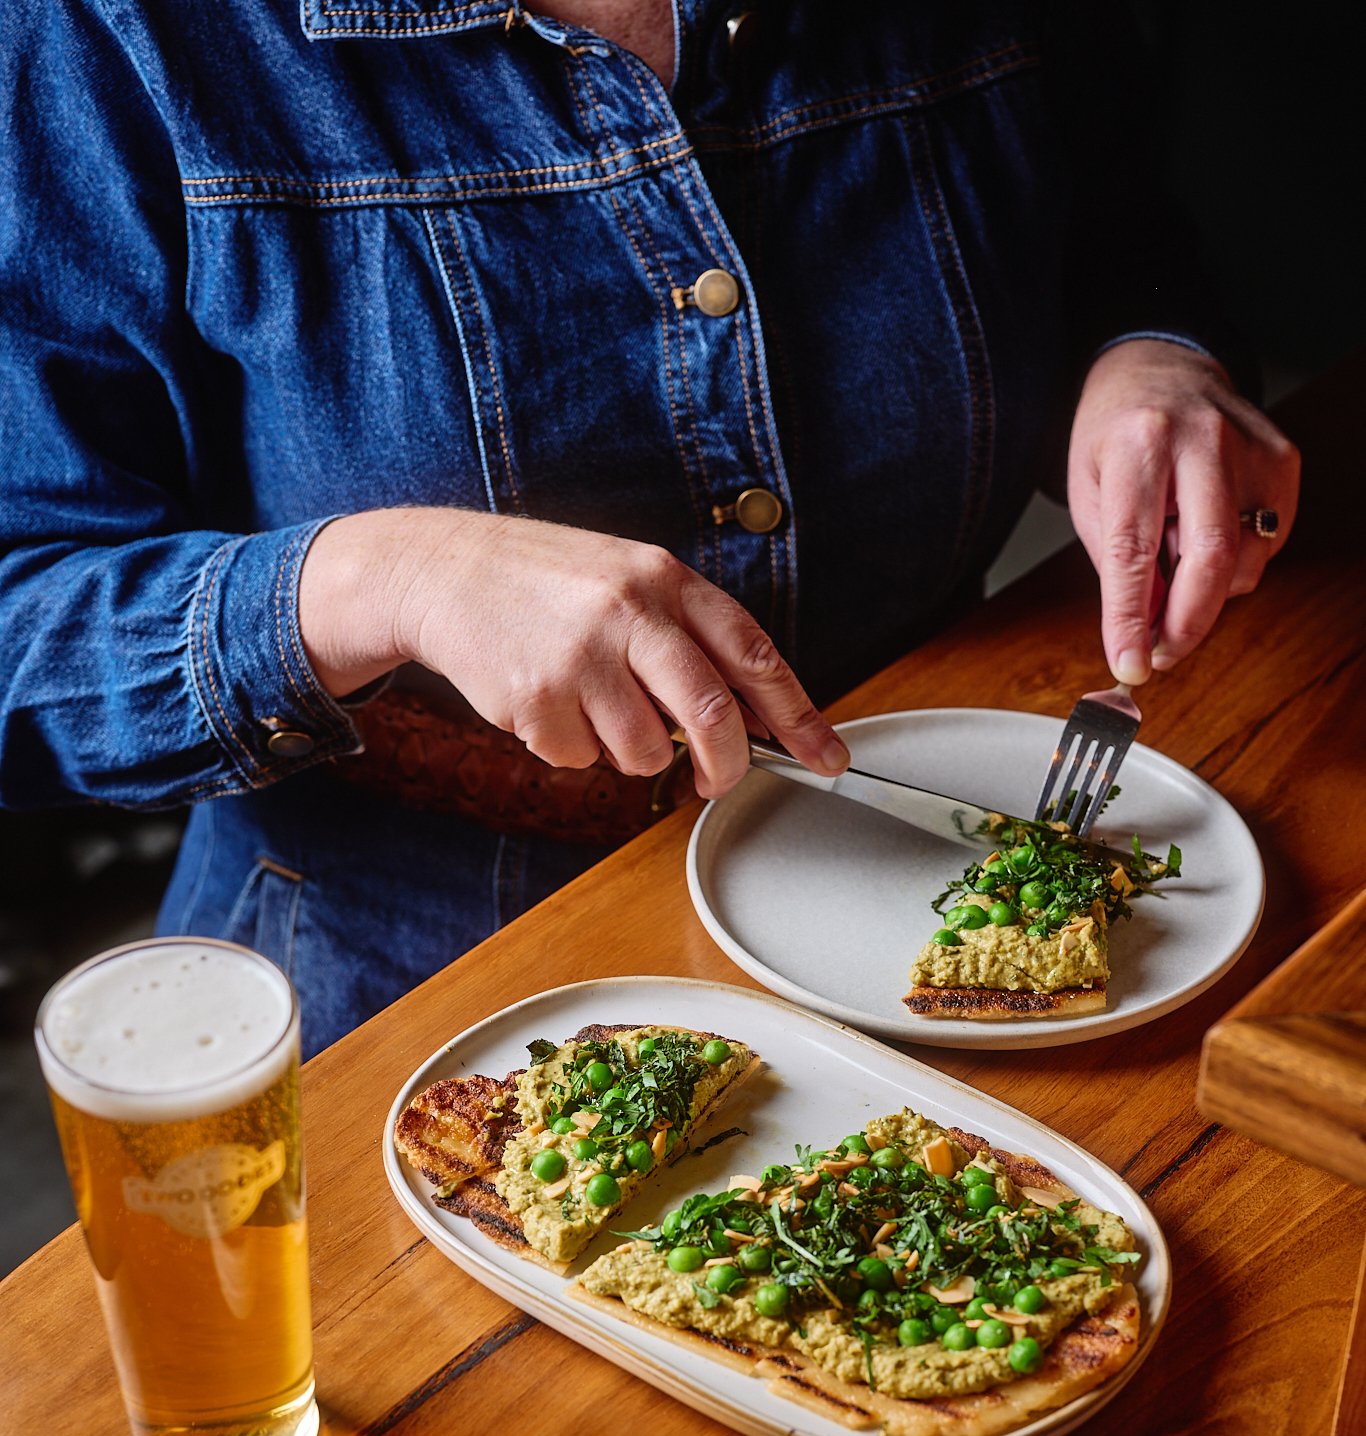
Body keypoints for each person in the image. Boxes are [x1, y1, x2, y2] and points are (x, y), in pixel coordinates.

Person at [0, 0, 1299, 1054]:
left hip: (934, 891)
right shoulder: (100, 35)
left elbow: (1117, 235)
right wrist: (379, 578)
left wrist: (1152, 354)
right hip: (404, 998)